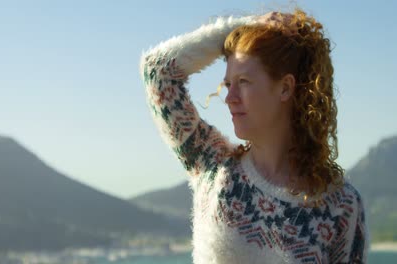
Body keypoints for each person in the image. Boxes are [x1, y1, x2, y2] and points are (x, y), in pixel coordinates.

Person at [139, 8, 368, 264]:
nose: (229, 97)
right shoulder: (213, 166)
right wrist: (247, 26)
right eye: (228, 84)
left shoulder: (339, 205)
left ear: (285, 88)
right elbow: (157, 70)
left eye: (244, 81)